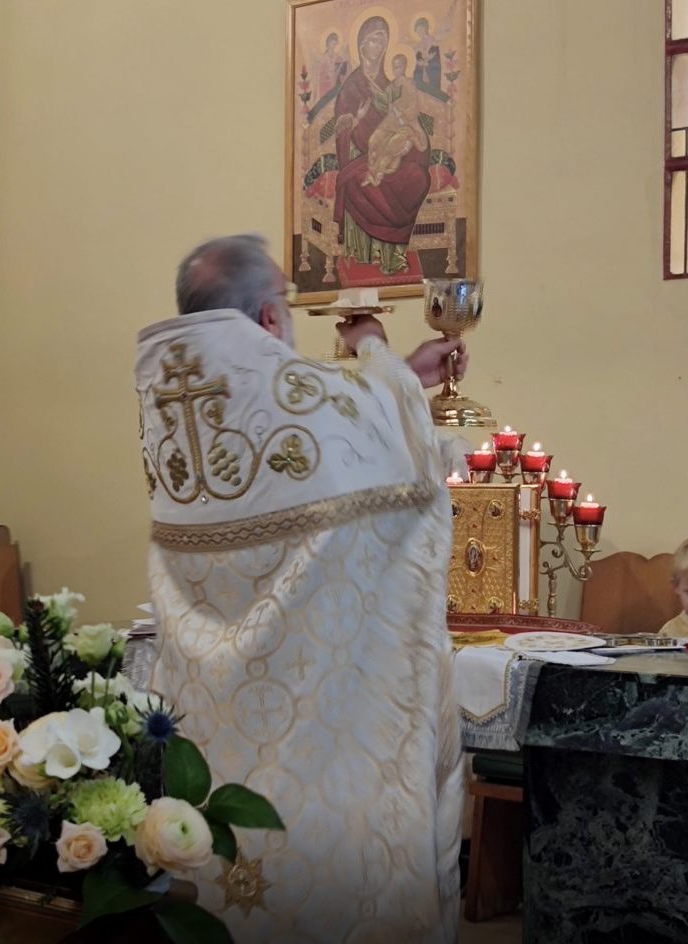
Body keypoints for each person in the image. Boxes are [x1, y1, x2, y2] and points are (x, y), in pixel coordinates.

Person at [134, 233, 468, 943]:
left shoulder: (168, 399)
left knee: (231, 875)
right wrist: (375, 348)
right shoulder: (301, 400)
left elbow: (322, 427)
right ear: (266, 318)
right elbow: (397, 459)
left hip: (217, 709)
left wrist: (395, 374)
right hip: (317, 715)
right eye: (284, 302)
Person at [333, 15, 431, 276]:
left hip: (389, 149)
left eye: (383, 40)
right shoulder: (351, 86)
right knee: (370, 181)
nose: (379, 45)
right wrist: (358, 119)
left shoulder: (391, 84)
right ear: (362, 45)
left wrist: (410, 141)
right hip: (360, 153)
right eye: (374, 39)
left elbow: (406, 115)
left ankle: (394, 255)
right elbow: (342, 128)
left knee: (417, 175)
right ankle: (370, 253)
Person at [363, 54, 428, 189]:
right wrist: (376, 93)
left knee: (391, 145)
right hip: (391, 122)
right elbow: (384, 102)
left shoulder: (409, 85)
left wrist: (401, 114)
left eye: (398, 67)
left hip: (406, 124)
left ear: (404, 68)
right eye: (394, 67)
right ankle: (371, 172)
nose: (395, 70)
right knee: (373, 141)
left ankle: (377, 176)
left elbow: (414, 108)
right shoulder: (392, 86)